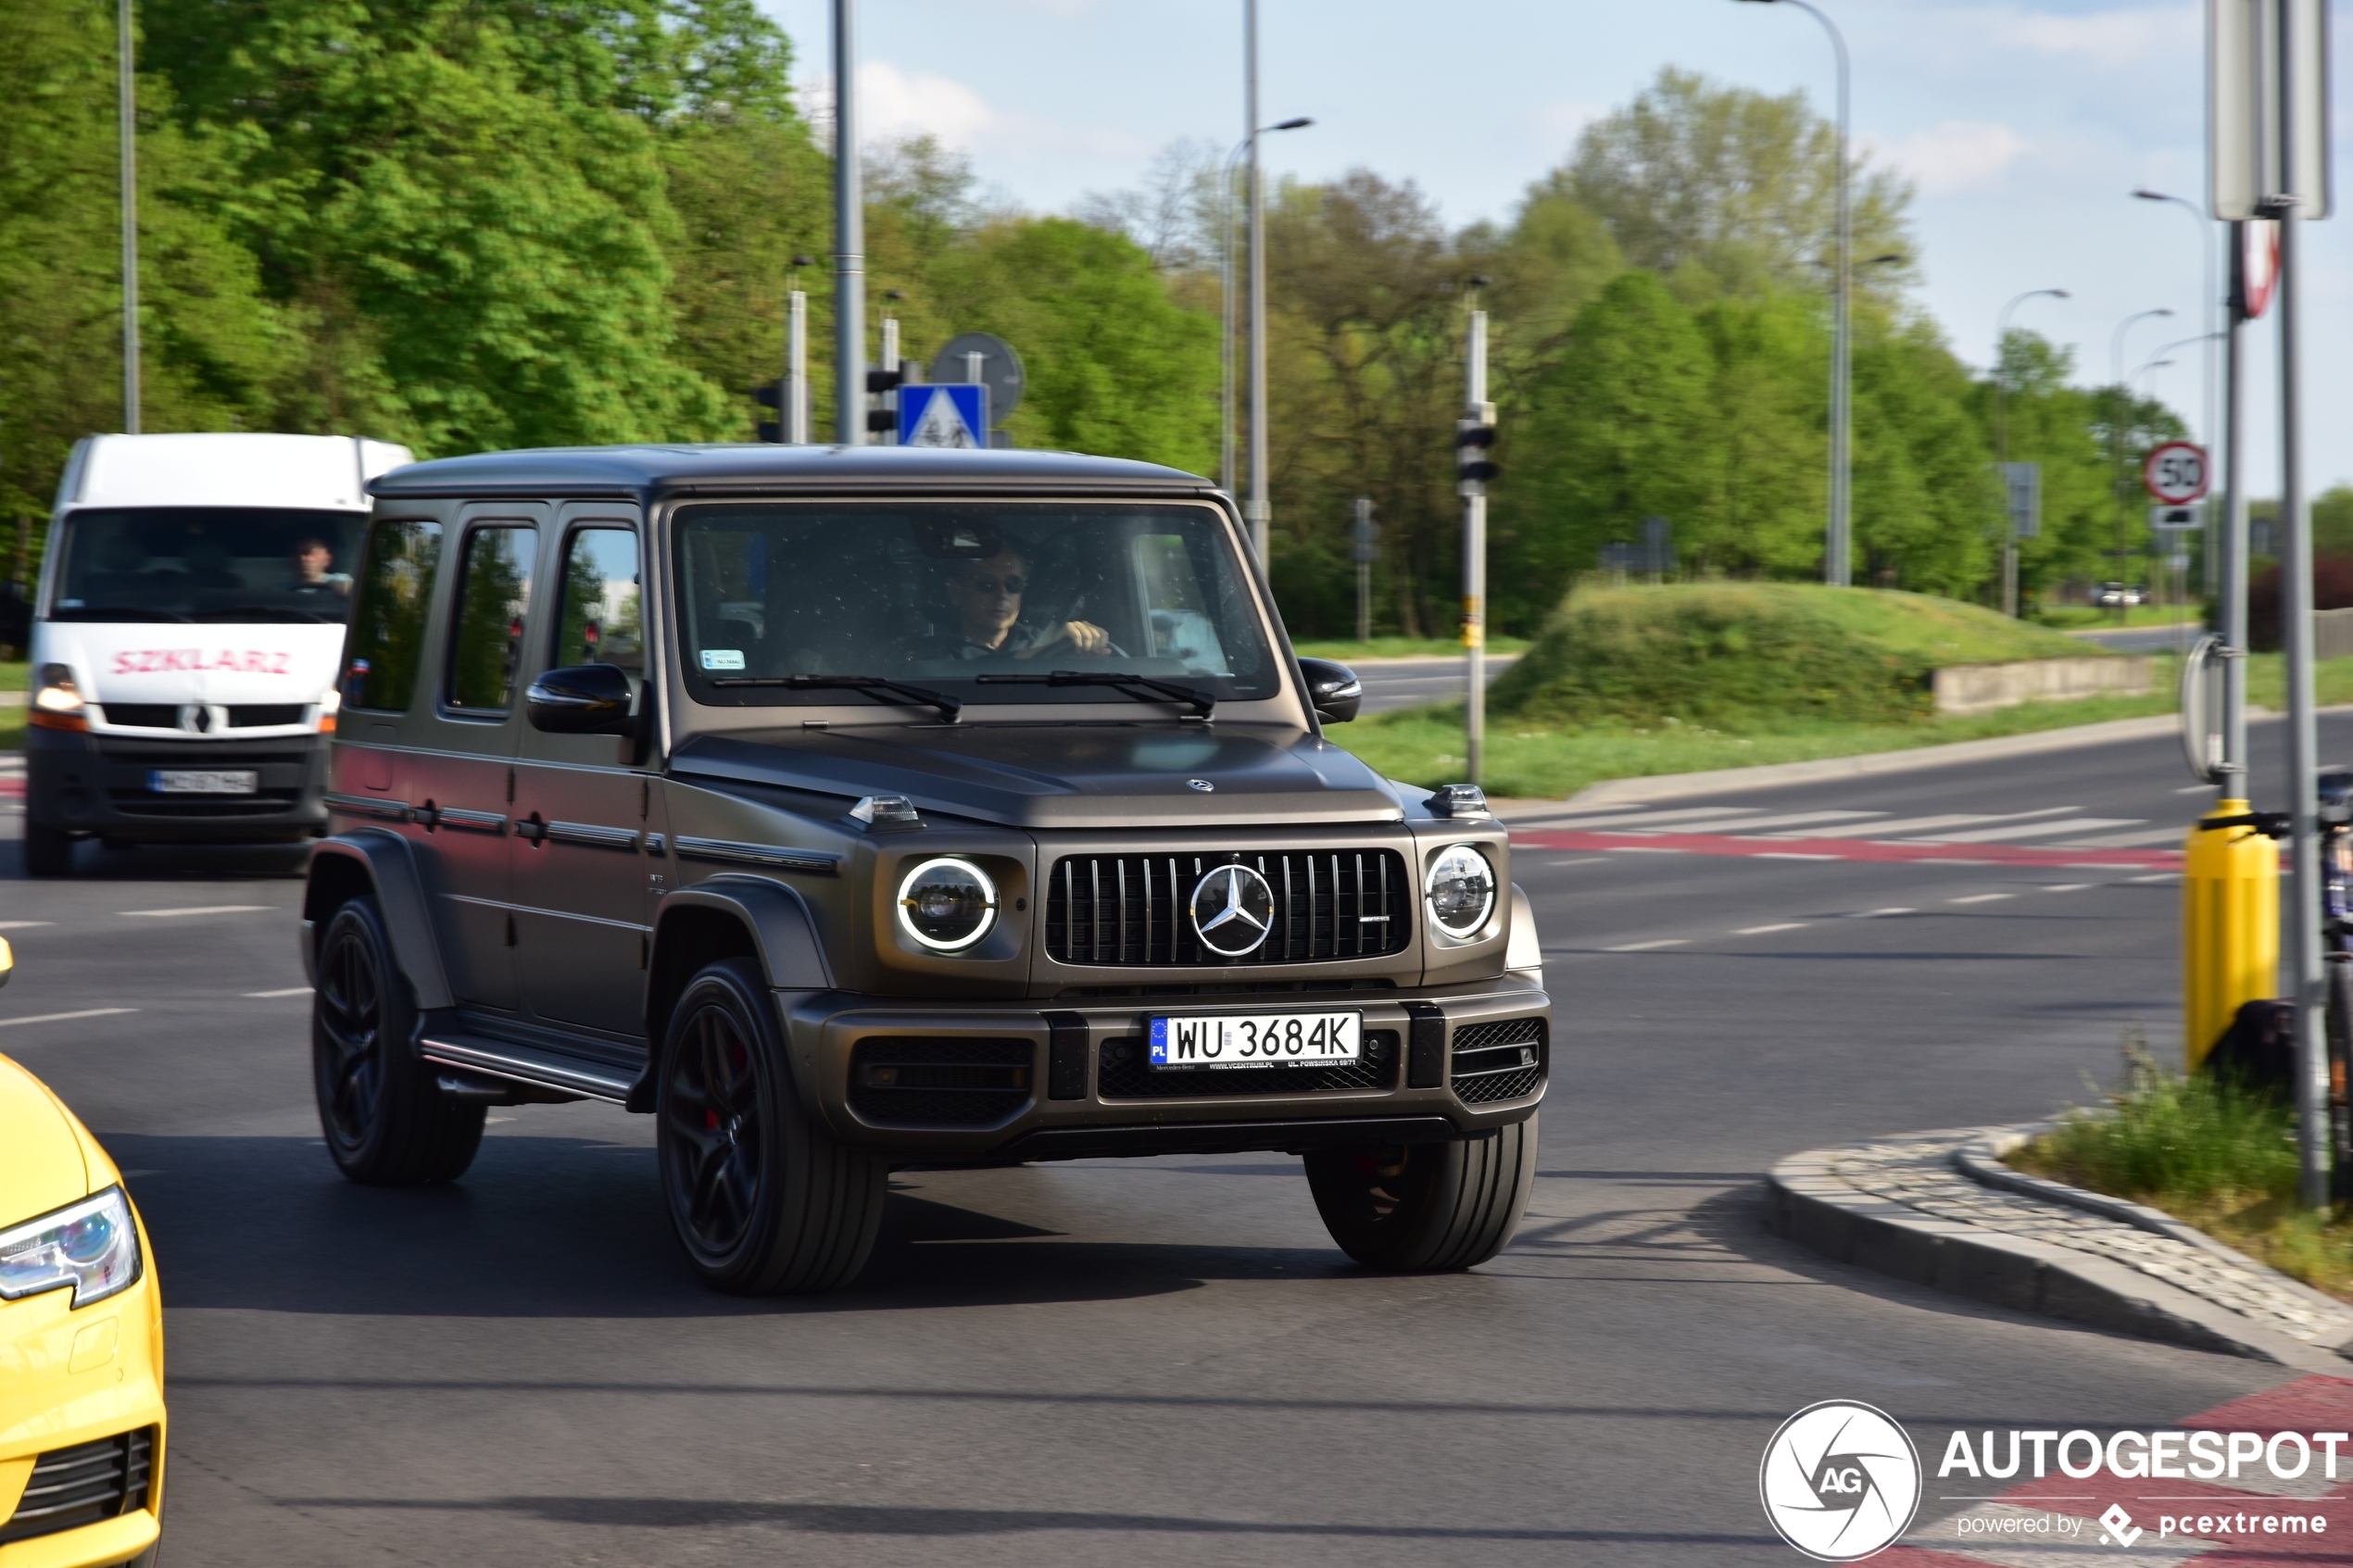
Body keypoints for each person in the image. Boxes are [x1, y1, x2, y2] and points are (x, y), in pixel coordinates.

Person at [937, 547, 1112, 660]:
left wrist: (1087, 643)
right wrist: (1046, 654)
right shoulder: (932, 653)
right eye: (986, 583)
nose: (1002, 594)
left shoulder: (1045, 639)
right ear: (956, 592)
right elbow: (970, 671)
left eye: (1013, 585)